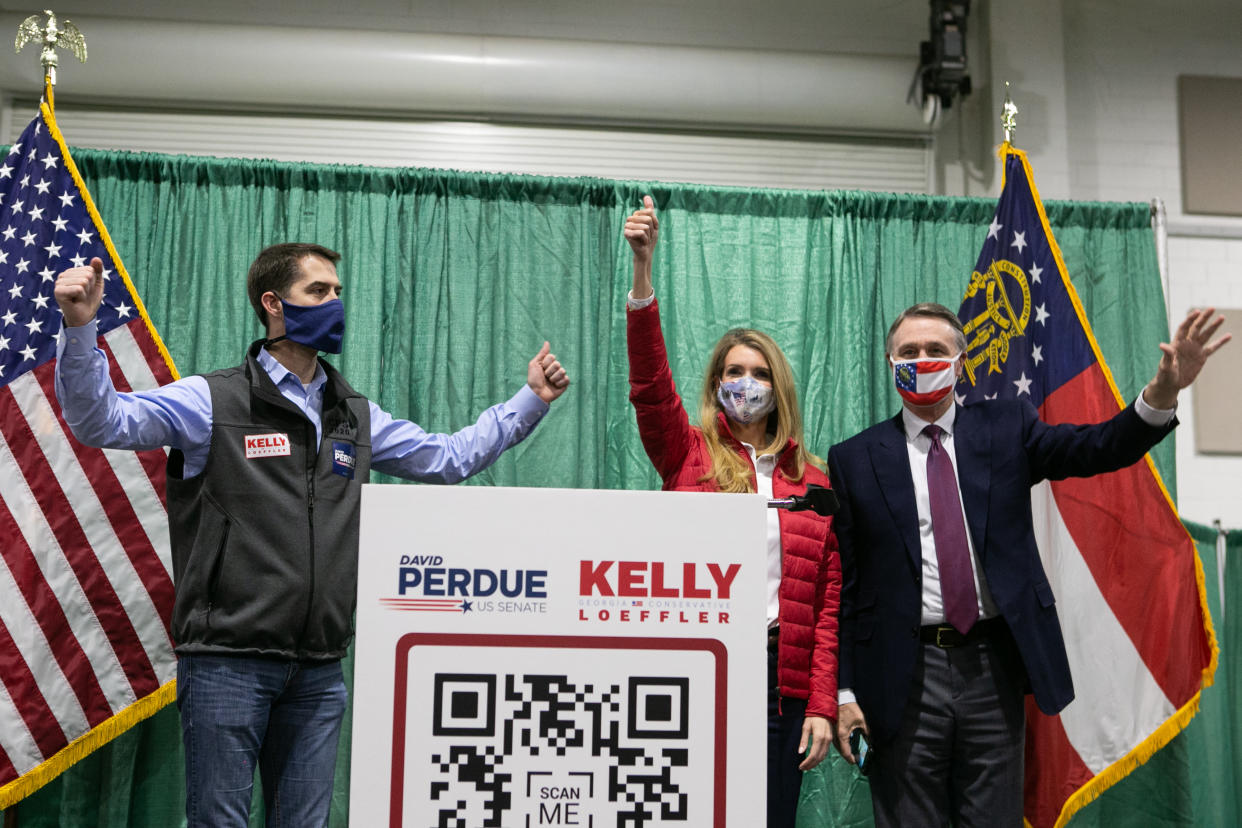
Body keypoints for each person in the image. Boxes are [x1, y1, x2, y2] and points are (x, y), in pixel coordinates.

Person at [53, 243, 570, 828]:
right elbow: (102, 421)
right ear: (273, 304)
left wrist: (531, 400)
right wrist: (80, 329)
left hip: (320, 670)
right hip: (228, 661)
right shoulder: (212, 400)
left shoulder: (353, 413)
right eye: (318, 292)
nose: (335, 304)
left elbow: (448, 458)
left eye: (338, 292)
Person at [827, 301, 1230, 827]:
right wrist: (844, 691)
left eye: (935, 350)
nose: (921, 359)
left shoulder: (1006, 426)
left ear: (961, 362)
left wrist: (1162, 394)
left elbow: (1098, 447)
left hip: (992, 667)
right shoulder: (854, 458)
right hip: (902, 676)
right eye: (908, 351)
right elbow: (847, 588)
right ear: (889, 361)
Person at [623, 196, 840, 828]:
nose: (744, 381)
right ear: (716, 381)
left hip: (783, 678)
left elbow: (828, 605)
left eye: (757, 371)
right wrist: (643, 273)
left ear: (779, 387)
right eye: (732, 371)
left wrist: (822, 703)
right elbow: (649, 386)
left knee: (772, 817)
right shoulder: (684, 452)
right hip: (696, 665)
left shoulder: (815, 481)